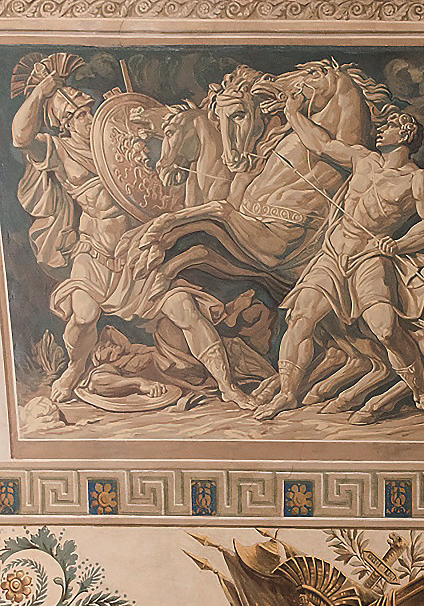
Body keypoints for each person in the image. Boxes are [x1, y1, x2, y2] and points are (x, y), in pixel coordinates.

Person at [11, 61, 253, 408]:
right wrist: (42, 90)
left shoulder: (121, 139)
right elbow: (20, 136)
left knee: (185, 309)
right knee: (84, 315)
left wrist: (132, 118)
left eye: (89, 110)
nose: (89, 117)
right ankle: (75, 369)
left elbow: (161, 178)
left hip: (136, 255)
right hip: (94, 255)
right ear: (65, 124)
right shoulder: (59, 151)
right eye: (80, 115)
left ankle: (228, 386)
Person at [256, 103, 424, 426]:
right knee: (301, 317)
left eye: (389, 126)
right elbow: (321, 144)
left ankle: (420, 394)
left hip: (370, 258)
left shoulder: (418, 180)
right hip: (334, 254)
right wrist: (292, 113)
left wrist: (398, 244)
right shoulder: (363, 158)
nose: (380, 130)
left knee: (386, 330)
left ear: (404, 135)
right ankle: (287, 393)